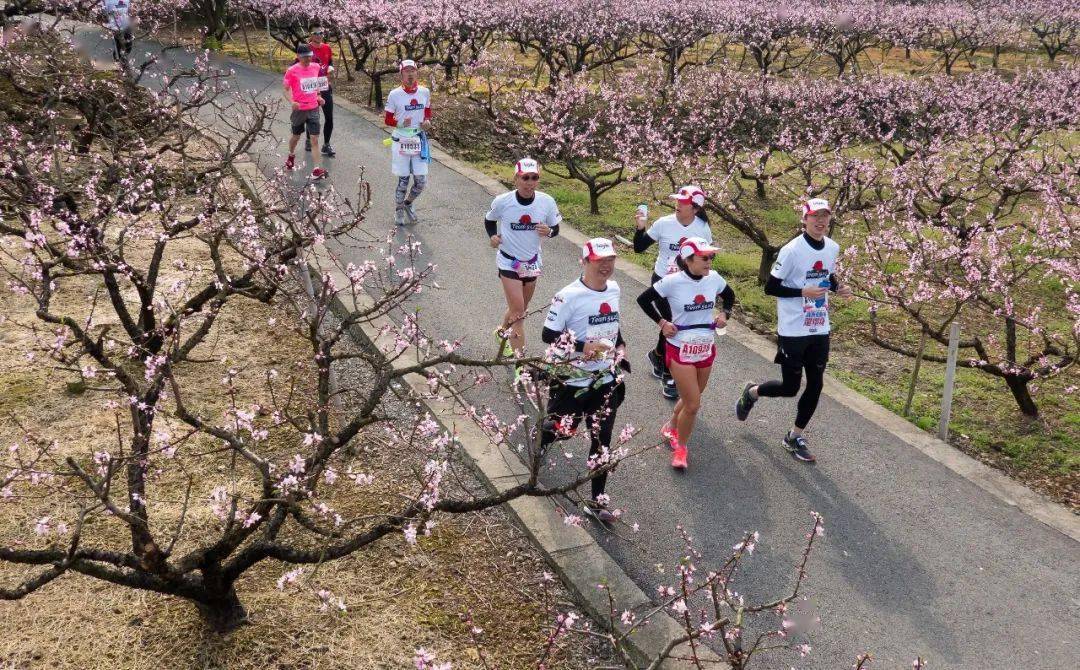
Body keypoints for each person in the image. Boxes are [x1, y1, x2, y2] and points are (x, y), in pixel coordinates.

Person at [735, 198, 853, 463]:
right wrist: (802, 291)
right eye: (815, 217)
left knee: (816, 383)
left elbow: (827, 275)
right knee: (790, 387)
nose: (821, 222)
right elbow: (770, 287)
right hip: (792, 327)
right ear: (805, 219)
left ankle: (794, 436)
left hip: (819, 324)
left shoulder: (832, 247)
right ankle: (752, 392)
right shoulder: (791, 250)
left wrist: (838, 287)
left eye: (825, 217)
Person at [540, 238, 628, 523]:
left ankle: (597, 501)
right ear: (585, 262)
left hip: (604, 378)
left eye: (610, 260)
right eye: (599, 260)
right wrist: (582, 348)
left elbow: (613, 326)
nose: (606, 266)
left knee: (602, 438)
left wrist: (620, 349)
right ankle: (542, 438)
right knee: (564, 430)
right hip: (571, 378)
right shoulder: (568, 296)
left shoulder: (614, 288)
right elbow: (548, 335)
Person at [637, 237, 735, 470]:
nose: (709, 261)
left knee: (695, 394)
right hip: (679, 348)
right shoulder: (672, 282)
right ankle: (681, 449)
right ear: (688, 259)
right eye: (704, 257)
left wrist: (724, 315)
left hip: (705, 346)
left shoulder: (714, 279)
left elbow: (729, 297)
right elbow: (643, 299)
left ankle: (672, 425)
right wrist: (662, 322)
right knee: (693, 405)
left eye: (712, 256)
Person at [633, 185, 713, 401]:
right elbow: (639, 247)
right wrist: (640, 228)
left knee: (674, 324)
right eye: (677, 200)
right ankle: (670, 376)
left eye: (683, 202)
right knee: (673, 324)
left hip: (687, 284)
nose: (678, 204)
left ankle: (658, 355)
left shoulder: (703, 229)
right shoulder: (663, 224)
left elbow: (706, 259)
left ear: (695, 208)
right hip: (663, 281)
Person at [485, 158, 561, 367]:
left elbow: (555, 229)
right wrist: (493, 237)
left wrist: (550, 232)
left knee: (521, 308)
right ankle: (521, 364)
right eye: (525, 178)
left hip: (532, 262)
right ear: (516, 178)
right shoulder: (503, 201)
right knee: (519, 314)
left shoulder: (546, 201)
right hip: (508, 261)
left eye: (534, 178)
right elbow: (489, 219)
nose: (529, 182)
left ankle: (502, 333)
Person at [384, 59, 432, 225]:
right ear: (401, 74)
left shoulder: (424, 92)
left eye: (413, 71)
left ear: (416, 73)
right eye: (407, 71)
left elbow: (427, 112)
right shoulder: (395, 94)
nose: (410, 74)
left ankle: (408, 204)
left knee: (421, 181)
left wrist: (427, 122)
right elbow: (388, 119)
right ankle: (398, 210)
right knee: (403, 180)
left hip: (418, 139)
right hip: (401, 139)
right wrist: (399, 123)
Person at [283, 44, 327, 180]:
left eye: (309, 57)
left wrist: (319, 96)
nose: (308, 60)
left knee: (314, 139)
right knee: (296, 136)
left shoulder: (316, 67)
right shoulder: (292, 70)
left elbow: (317, 84)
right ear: (298, 57)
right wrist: (292, 102)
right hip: (299, 109)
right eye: (304, 58)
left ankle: (316, 170)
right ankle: (291, 154)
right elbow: (285, 89)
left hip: (313, 108)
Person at [305, 28, 335, 157]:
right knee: (312, 116)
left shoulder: (327, 48)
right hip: (311, 86)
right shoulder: (306, 48)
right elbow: (300, 66)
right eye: (315, 33)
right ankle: (308, 140)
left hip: (324, 85)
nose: (319, 36)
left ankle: (326, 144)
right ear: (311, 35)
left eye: (321, 33)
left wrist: (330, 73)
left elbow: (329, 64)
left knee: (329, 117)